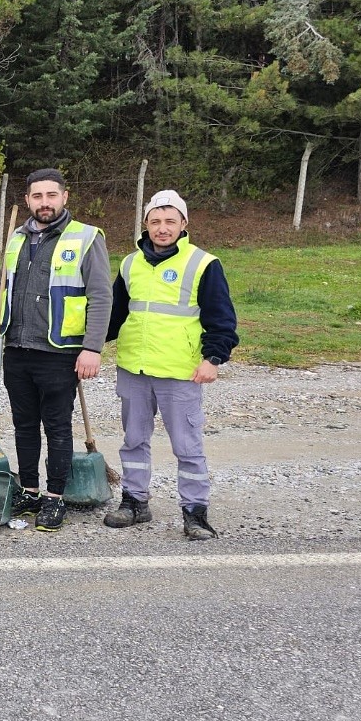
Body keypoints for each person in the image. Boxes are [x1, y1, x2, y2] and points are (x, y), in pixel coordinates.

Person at [0, 169, 111, 532]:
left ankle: (55, 498)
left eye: (51, 195)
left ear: (64, 197)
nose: (44, 203)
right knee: (24, 425)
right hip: (18, 347)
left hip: (60, 350)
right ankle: (30, 490)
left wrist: (92, 348)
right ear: (27, 200)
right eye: (37, 196)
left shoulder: (86, 238)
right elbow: (1, 287)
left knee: (56, 426)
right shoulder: (16, 238)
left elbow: (101, 296)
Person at [105, 190, 238, 539]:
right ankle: (135, 501)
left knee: (187, 446)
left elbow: (221, 319)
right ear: (145, 225)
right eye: (155, 222)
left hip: (181, 371)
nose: (162, 229)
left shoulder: (203, 264)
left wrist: (214, 358)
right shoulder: (130, 263)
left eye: (169, 221)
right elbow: (115, 315)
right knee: (133, 440)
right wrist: (85, 344)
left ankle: (195, 511)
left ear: (183, 224)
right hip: (134, 368)